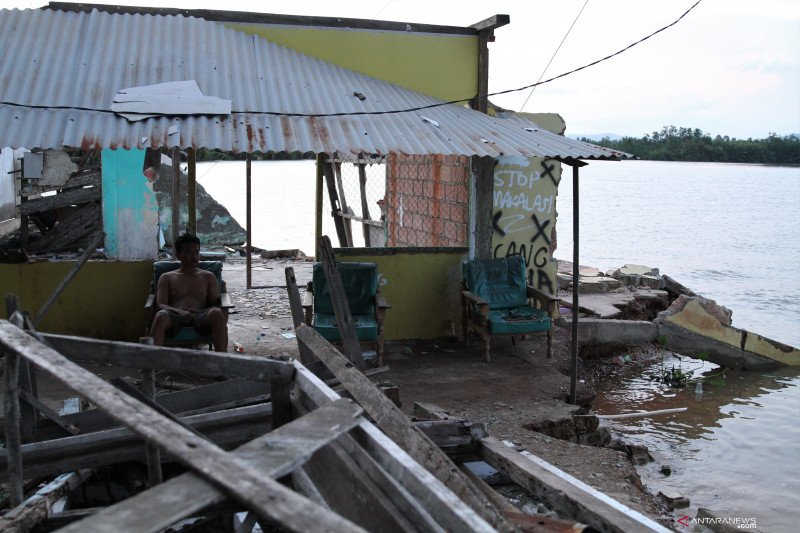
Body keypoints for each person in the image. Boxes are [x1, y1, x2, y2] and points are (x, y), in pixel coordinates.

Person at [150, 233, 228, 352]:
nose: (194, 256)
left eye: (196, 252)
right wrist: (180, 312)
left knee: (217, 313)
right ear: (179, 255)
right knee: (161, 316)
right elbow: (161, 304)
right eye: (188, 253)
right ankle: (153, 364)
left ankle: (222, 363)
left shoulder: (208, 277)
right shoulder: (167, 277)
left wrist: (199, 311)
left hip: (201, 315)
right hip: (174, 315)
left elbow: (216, 304)